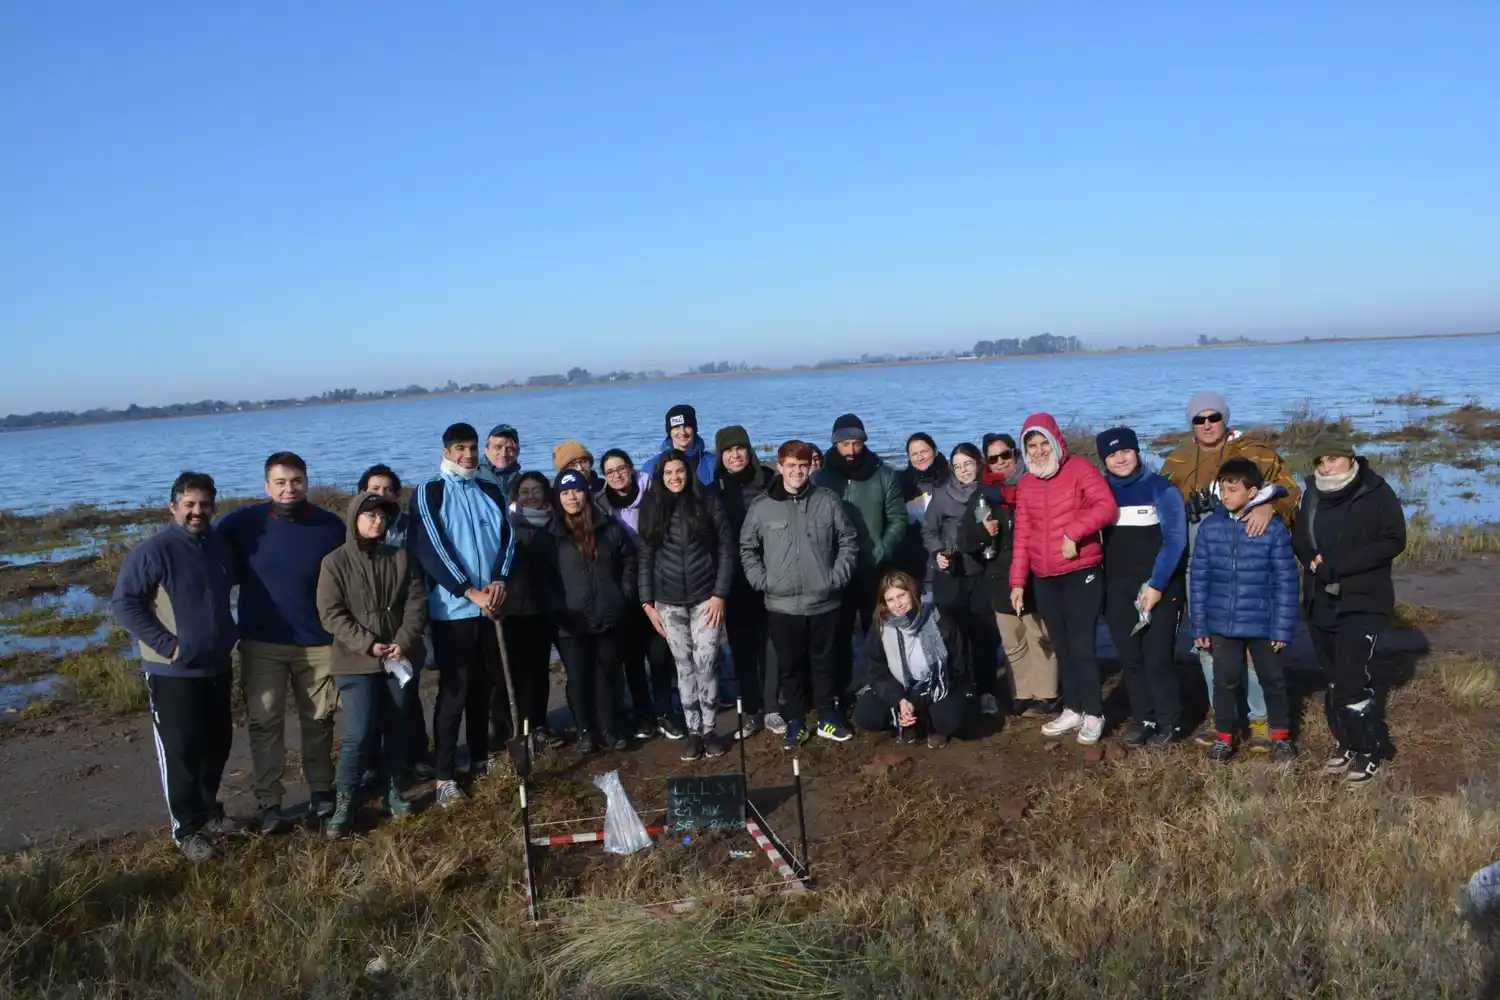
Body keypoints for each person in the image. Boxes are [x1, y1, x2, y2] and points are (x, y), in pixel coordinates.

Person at [110, 472, 238, 862]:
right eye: (189, 505)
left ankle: (207, 810)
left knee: (217, 744)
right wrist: (168, 645)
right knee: (180, 750)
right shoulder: (154, 551)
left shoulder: (218, 545)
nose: (197, 512)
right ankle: (186, 830)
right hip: (172, 672)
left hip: (217, 665)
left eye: (204, 505)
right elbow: (124, 604)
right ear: (173, 507)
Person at [1162, 391, 1301, 750]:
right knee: (1207, 644)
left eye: (1214, 417)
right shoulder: (1177, 460)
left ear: (1225, 419)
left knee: (1256, 649)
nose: (1207, 425)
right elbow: (1159, 508)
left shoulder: (1255, 452)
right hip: (1202, 562)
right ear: (1191, 424)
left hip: (1251, 561)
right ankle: (1222, 719)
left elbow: (1291, 491)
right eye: (1199, 419)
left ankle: (1260, 719)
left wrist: (1270, 506)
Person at [217, 452, 346, 834]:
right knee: (265, 723)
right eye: (280, 482)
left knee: (319, 721)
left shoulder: (330, 526)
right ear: (267, 486)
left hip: (319, 643)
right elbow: (213, 565)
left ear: (307, 481)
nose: (289, 489)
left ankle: (322, 791)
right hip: (262, 643)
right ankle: (269, 803)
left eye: (296, 481)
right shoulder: (242, 525)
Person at [407, 423, 516, 808]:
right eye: (460, 448)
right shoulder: (429, 491)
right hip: (453, 611)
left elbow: (507, 538)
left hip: (492, 607)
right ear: (447, 451)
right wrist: (469, 590)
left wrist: (500, 581)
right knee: (454, 692)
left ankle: (480, 758)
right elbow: (430, 547)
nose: (468, 455)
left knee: (484, 686)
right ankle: (445, 775)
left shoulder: (490, 489)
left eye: (472, 448)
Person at [1292, 428, 1406, 784]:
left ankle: (1370, 750)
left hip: (1362, 602)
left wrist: (1337, 566)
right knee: (1334, 679)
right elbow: (1300, 538)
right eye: (1321, 461)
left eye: (1334, 459)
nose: (1326, 467)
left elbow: (1393, 541)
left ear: (1350, 459)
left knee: (1353, 680)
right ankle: (1346, 744)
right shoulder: (1310, 493)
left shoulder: (1375, 491)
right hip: (1319, 601)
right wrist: (1313, 562)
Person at [315, 491, 428, 837]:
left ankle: (395, 792)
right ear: (355, 519)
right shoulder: (334, 562)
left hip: (399, 658)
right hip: (355, 661)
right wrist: (368, 643)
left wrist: (402, 642)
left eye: (382, 516)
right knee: (359, 733)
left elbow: (416, 604)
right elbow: (331, 614)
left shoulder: (401, 558)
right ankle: (345, 801)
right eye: (370, 515)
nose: (377, 521)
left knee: (397, 726)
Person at [1007, 415, 1118, 746]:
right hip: (1045, 577)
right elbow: (1023, 534)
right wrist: (1017, 582)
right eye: (1032, 446)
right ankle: (1073, 708)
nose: (1040, 451)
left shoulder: (1080, 469)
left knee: (1082, 646)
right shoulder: (1026, 482)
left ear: (1056, 442)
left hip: (1081, 572)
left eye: (1044, 444)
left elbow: (1107, 507)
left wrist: (1075, 531)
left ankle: (1095, 714)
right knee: (1062, 647)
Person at [741, 440, 858, 747]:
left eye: (802, 466)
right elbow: (748, 549)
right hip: (782, 605)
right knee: (789, 666)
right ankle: (795, 721)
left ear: (811, 467)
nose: (796, 472)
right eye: (790, 466)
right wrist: (762, 580)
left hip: (824, 601)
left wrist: (836, 578)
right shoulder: (762, 507)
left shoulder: (827, 500)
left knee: (825, 663)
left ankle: (828, 718)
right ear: (780, 467)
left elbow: (848, 541)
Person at [1189, 458, 1300, 762]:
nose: (1225, 495)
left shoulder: (1272, 529)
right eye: (1222, 488)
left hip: (1263, 624)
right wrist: (1199, 625)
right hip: (1222, 624)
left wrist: (1282, 628)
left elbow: (1286, 582)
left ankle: (1280, 736)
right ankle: (1225, 736)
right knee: (1224, 681)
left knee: (1273, 681)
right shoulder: (1210, 528)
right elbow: (1198, 579)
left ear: (1252, 492)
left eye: (1232, 489)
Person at [638, 450, 736, 760]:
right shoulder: (652, 505)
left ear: (688, 472)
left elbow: (725, 549)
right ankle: (693, 732)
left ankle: (710, 729)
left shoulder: (707, 500)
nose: (674, 477)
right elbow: (645, 556)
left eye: (679, 471)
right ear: (660, 477)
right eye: (668, 473)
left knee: (706, 662)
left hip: (706, 598)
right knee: (683, 666)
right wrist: (647, 603)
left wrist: (720, 594)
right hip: (668, 602)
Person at [1097, 428, 1189, 747]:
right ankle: (1144, 717)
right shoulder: (1100, 493)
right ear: (1103, 460)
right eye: (1111, 454)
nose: (1120, 459)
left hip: (1159, 586)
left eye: (1125, 451)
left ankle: (1170, 722)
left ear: (1136, 452)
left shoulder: (1160, 489)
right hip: (1117, 588)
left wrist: (1157, 584)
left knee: (1157, 657)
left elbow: (1176, 540)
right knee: (1131, 658)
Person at [811, 413, 906, 710]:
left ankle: (882, 688)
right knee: (836, 633)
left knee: (878, 631)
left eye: (856, 443)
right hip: (835, 569)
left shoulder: (884, 476)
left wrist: (880, 551)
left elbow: (898, 520)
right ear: (834, 444)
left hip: (873, 567)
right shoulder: (820, 478)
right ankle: (838, 691)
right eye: (844, 444)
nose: (851, 450)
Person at [968, 433, 1059, 717]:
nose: (1000, 463)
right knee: (1012, 640)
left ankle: (1046, 695)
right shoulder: (981, 495)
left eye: (1005, 455)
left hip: (1035, 574)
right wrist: (982, 531)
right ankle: (1021, 695)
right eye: (993, 458)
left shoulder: (1035, 484)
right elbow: (965, 540)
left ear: (1016, 455)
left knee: (1039, 636)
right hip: (998, 578)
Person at [550, 469, 638, 752]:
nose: (572, 497)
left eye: (576, 490)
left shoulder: (609, 527)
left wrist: (623, 596)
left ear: (586, 492)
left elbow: (630, 561)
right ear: (558, 497)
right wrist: (559, 610)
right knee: (578, 678)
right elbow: (543, 578)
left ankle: (609, 729)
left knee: (606, 675)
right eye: (565, 492)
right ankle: (586, 732)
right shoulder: (551, 534)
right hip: (570, 623)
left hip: (608, 616)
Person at [599, 448, 682, 740]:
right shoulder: (600, 505)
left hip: (658, 580)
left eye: (621, 469)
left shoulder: (653, 493)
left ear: (632, 469)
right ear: (604, 477)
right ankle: (643, 714)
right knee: (632, 656)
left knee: (659, 652)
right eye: (610, 472)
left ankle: (665, 711)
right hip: (624, 586)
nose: (617, 476)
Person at [921, 442, 1002, 715]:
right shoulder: (942, 495)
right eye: (957, 466)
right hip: (950, 574)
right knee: (952, 635)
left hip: (982, 573)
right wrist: (937, 554)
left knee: (985, 635)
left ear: (978, 463)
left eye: (967, 463)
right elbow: (929, 531)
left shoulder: (990, 492)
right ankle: (959, 688)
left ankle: (987, 690)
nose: (963, 470)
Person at [853, 571, 975, 748]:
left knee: (949, 719)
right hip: (899, 685)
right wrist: (899, 699)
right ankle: (904, 720)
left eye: (902, 595)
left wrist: (921, 697)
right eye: (890, 599)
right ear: (884, 604)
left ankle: (931, 724)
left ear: (913, 593)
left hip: (936, 685)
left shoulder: (937, 619)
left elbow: (957, 665)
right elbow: (877, 672)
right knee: (867, 715)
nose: (898, 604)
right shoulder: (880, 628)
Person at [712, 425, 777, 738]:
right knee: (741, 648)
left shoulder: (768, 479)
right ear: (720, 456)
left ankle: (773, 707)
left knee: (771, 644)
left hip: (770, 575)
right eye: (728, 451)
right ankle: (752, 711)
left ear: (749, 450)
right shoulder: (713, 490)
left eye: (740, 449)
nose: (735, 455)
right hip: (733, 581)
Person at [498, 471, 566, 748]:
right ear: (515, 495)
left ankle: (538, 725)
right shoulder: (506, 524)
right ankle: (512, 730)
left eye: (536, 490)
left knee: (539, 671)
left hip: (543, 608)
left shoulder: (555, 524)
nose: (530, 495)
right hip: (511, 611)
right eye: (524, 491)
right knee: (512, 674)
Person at [895, 432, 949, 579]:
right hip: (913, 560)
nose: (920, 457)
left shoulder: (950, 480)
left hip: (944, 557)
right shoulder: (901, 484)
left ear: (935, 451)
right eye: (914, 454)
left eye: (924, 451)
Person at [643, 404, 717, 485]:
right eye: (676, 427)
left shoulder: (713, 462)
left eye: (687, 427)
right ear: (669, 432)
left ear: (695, 429)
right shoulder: (652, 466)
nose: (682, 432)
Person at [477, 423, 523, 499]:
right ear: (486, 451)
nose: (503, 454)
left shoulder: (521, 482)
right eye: (498, 447)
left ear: (517, 452)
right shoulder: (473, 476)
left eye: (509, 449)